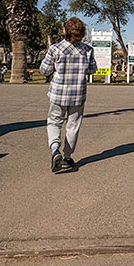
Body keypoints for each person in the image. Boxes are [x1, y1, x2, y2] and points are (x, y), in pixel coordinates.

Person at [39, 17, 97, 174]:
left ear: (64, 31)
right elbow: (92, 70)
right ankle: (67, 156)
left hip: (58, 94)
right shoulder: (88, 50)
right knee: (73, 126)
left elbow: (44, 70)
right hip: (78, 94)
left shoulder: (55, 49)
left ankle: (55, 149)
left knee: (54, 122)